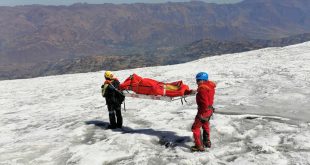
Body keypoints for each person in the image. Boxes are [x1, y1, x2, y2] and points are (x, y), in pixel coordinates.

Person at [191, 72, 216, 152]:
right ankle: (207, 142)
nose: (197, 82)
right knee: (205, 125)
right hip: (209, 110)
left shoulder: (202, 89)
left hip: (203, 111)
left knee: (195, 128)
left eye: (198, 80)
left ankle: (199, 146)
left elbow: (204, 102)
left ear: (202, 80)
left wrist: (201, 115)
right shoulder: (210, 86)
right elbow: (207, 95)